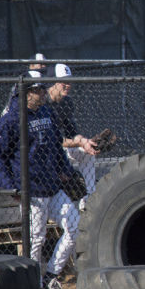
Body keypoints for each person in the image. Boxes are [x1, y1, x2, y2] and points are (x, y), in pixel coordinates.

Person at [0, 70, 79, 289]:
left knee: (75, 225)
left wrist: (67, 172)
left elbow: (56, 147)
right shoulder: (12, 119)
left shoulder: (47, 111)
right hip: (32, 191)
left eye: (41, 89)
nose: (41, 92)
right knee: (36, 240)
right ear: (26, 93)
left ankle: (50, 275)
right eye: (37, 90)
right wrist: (10, 186)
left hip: (53, 185)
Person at [45, 63, 100, 210]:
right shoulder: (42, 102)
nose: (68, 85)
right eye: (64, 81)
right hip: (45, 152)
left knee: (87, 153)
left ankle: (88, 199)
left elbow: (71, 132)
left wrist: (85, 142)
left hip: (60, 149)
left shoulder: (67, 102)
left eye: (70, 81)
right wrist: (79, 142)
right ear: (54, 82)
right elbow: (52, 140)